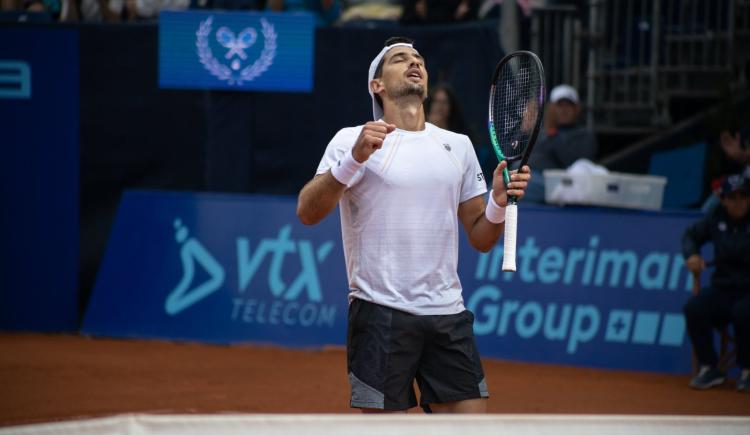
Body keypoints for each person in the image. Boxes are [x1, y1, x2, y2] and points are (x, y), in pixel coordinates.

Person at [296, 37, 531, 413]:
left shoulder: (458, 145)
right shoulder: (350, 140)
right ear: (378, 85)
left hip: (447, 314)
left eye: (419, 58)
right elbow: (308, 212)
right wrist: (352, 161)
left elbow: (480, 236)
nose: (414, 63)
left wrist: (498, 204)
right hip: (379, 312)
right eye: (400, 59)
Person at [682, 173, 750, 392]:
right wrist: (692, 255)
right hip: (724, 288)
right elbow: (690, 236)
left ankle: (747, 369)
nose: (739, 203)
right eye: (733, 198)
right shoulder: (715, 217)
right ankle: (709, 367)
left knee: (743, 312)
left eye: (744, 197)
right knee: (694, 307)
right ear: (723, 200)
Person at [524, 83, 597, 203]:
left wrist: (552, 132)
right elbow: (515, 156)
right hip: (526, 178)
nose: (563, 110)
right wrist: (524, 132)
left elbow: (578, 166)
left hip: (558, 185)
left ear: (577, 109)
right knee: (502, 182)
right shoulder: (540, 131)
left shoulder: (584, 134)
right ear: (551, 109)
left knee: (510, 185)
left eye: (568, 106)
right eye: (559, 106)